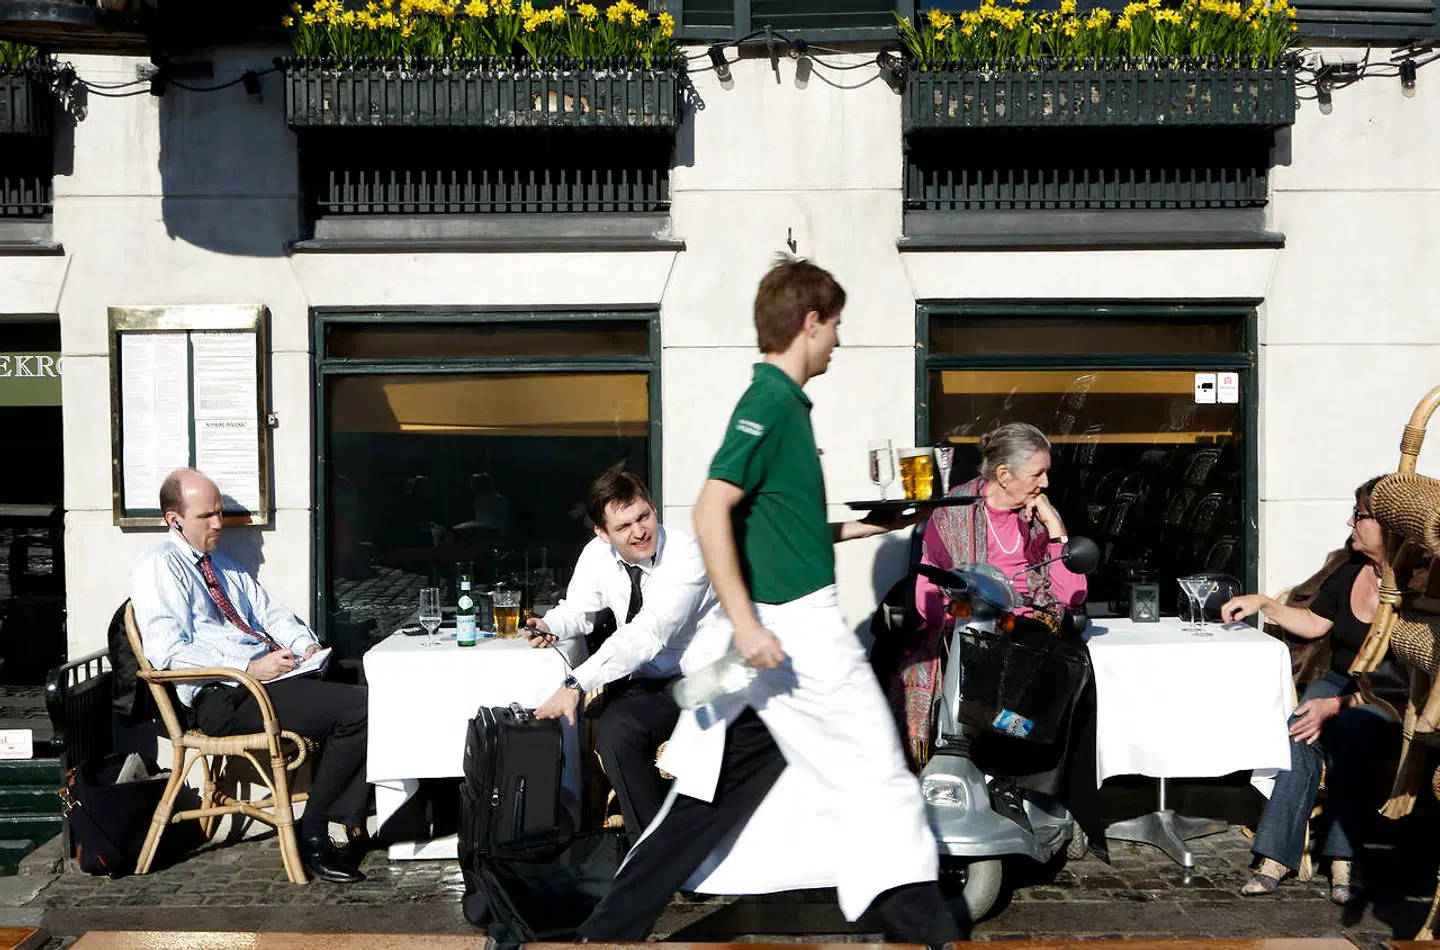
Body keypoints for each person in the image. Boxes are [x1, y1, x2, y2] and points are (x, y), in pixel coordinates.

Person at [576, 258, 963, 947]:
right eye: (836, 324)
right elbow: (711, 510)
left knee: (709, 791)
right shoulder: (770, 403)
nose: (839, 341)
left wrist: (877, 524)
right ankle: (929, 934)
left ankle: (607, 932)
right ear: (809, 323)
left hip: (771, 645)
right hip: (797, 637)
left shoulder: (781, 406)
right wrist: (750, 626)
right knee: (881, 778)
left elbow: (780, 528)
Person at [129, 468, 369, 884]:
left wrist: (304, 646)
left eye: (219, 512)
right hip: (224, 696)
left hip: (266, 681)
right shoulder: (160, 566)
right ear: (175, 519)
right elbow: (168, 653)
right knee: (363, 711)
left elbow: (271, 613)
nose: (218, 524)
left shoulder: (222, 563)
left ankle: (386, 811)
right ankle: (313, 835)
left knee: (374, 679)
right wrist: (247, 669)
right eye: (206, 516)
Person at [888, 422, 1099, 850]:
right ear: (1004, 475)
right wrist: (962, 618)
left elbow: (1072, 594)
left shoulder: (1040, 520)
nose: (1045, 482)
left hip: (1026, 632)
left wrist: (1056, 528)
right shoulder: (951, 514)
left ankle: (1031, 791)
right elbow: (928, 592)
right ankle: (984, 781)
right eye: (1037, 473)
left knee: (1069, 670)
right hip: (968, 628)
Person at [1222, 476, 1411, 904]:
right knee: (1298, 731)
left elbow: (1407, 676)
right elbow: (1314, 623)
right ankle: (1275, 856)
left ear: (1388, 525)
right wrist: (1265, 603)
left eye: (1360, 516)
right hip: (1340, 681)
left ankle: (1344, 857)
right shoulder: (1349, 573)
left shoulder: (1417, 589)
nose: (1351, 522)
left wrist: (1342, 705)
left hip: (1390, 695)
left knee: (1354, 734)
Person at [524, 464, 719, 834]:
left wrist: (575, 685)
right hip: (644, 681)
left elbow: (648, 634)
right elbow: (579, 612)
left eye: (643, 516)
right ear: (601, 533)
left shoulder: (688, 556)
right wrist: (550, 624)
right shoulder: (596, 555)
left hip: (698, 679)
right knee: (616, 734)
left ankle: (667, 848)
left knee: (622, 731)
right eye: (623, 526)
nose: (639, 531)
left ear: (653, 508)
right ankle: (652, 846)